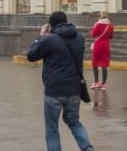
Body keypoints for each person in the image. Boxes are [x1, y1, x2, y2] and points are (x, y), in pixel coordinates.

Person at [26, 10, 94, 151]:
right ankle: (88, 148)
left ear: (51, 25)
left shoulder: (49, 39)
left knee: (52, 129)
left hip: (54, 91)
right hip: (75, 90)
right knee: (74, 122)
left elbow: (31, 55)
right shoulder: (79, 38)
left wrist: (41, 36)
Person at [89, 11, 113, 90]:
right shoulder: (110, 25)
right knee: (104, 65)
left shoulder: (97, 24)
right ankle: (103, 84)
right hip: (106, 45)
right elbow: (111, 36)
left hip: (98, 45)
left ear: (99, 17)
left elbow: (93, 34)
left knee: (95, 63)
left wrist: (93, 29)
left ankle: (96, 82)